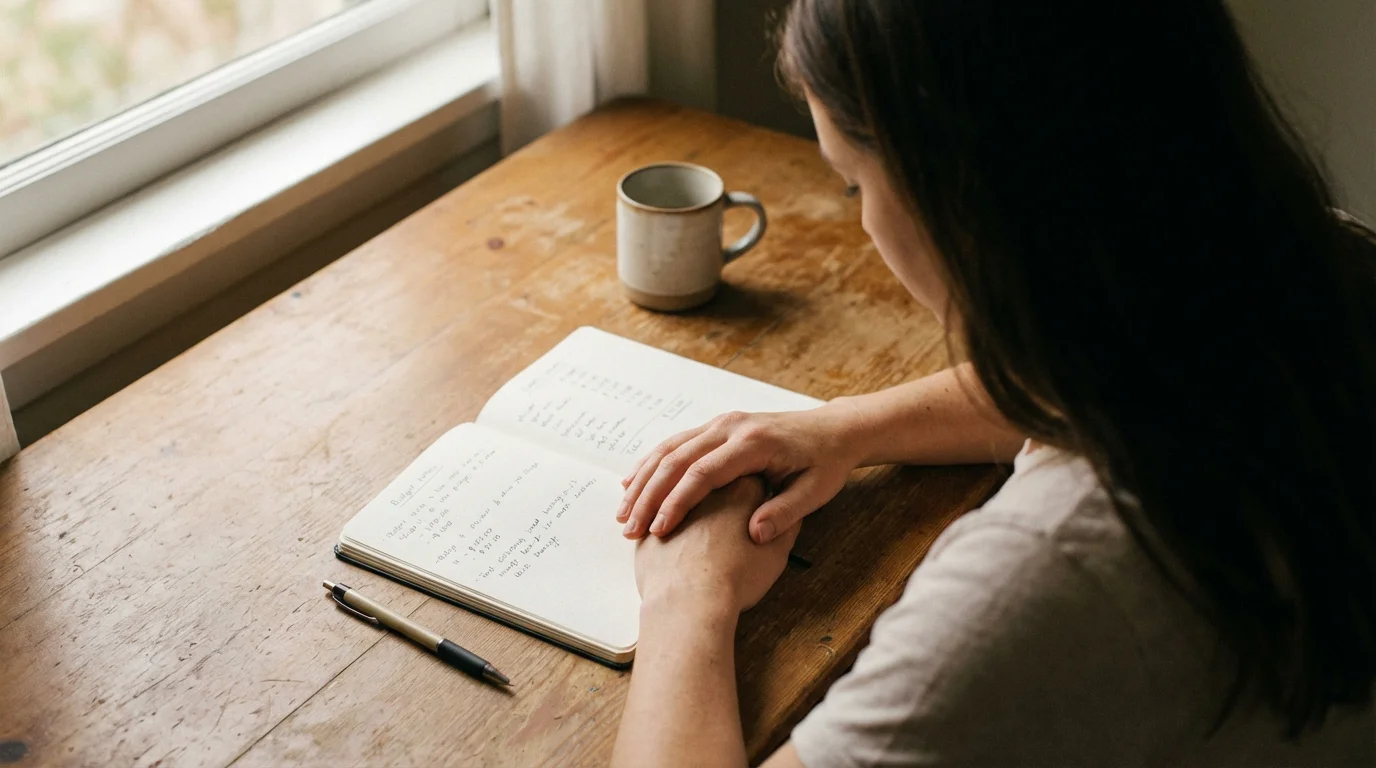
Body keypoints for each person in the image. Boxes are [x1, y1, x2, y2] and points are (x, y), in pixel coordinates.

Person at [608, 0, 1376, 766]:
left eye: (851, 185)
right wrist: (846, 428)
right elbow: (1095, 374)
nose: (865, 225)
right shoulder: (1313, 267)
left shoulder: (1052, 582)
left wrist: (686, 602)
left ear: (962, 200)